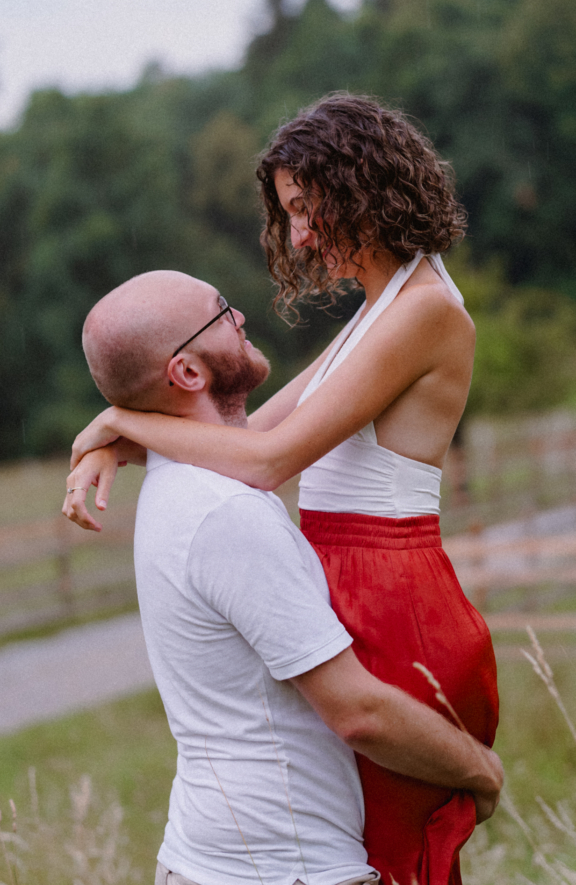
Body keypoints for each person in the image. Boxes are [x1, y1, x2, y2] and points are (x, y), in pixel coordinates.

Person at [65, 94, 500, 884]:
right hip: (350, 584)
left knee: (401, 858)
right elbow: (251, 437)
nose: (298, 234)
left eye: (306, 208)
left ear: (361, 184)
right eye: (288, 214)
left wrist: (118, 423)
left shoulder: (426, 311)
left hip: (393, 594)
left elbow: (270, 462)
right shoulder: (381, 308)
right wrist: (121, 428)